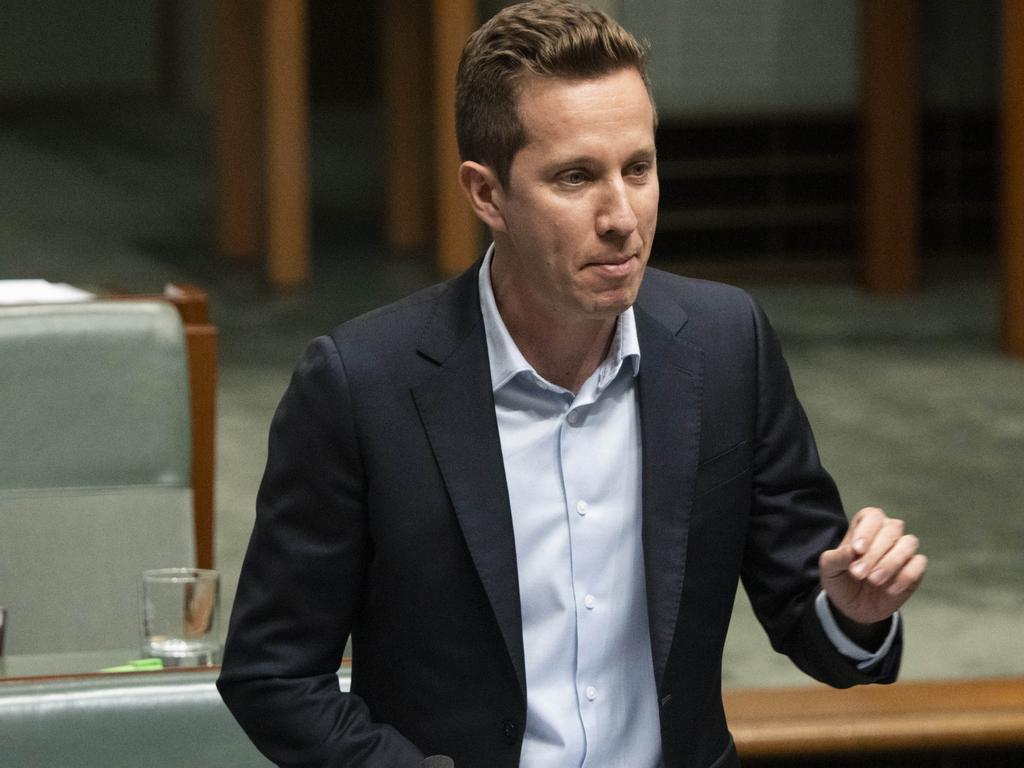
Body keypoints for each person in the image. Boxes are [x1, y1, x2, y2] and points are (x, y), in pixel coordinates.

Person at [217, 3, 927, 767]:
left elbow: (811, 616)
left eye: (639, 169)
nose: (621, 216)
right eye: (576, 177)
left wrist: (853, 613)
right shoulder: (361, 386)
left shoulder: (725, 346)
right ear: (486, 195)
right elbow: (274, 674)